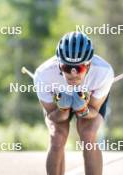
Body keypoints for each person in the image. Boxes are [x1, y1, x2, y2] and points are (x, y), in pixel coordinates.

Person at [33, 31, 114, 175]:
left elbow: (93, 111)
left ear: (88, 65)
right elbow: (53, 116)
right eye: (67, 68)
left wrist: (83, 108)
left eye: (79, 68)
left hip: (89, 104)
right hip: (57, 107)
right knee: (57, 136)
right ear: (59, 65)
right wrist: (63, 109)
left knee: (88, 135)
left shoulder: (103, 72)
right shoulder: (43, 75)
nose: (73, 74)